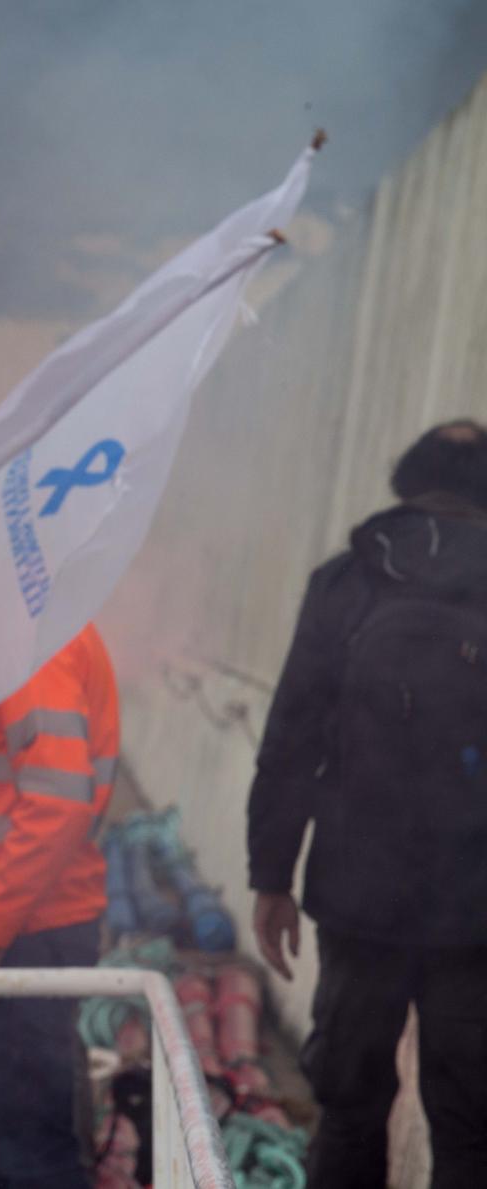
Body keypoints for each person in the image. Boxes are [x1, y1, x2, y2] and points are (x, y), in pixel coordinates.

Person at [247, 419, 487, 1189]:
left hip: (359, 893)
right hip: (477, 908)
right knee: (473, 1125)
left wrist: (271, 876)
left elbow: (290, 739)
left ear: (406, 481)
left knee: (349, 1109)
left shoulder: (348, 580)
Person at [0, 624, 119, 1189]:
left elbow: (58, 799)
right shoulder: (21, 640)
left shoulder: (31, 639)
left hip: (15, 935)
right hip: (3, 928)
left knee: (27, 1149)